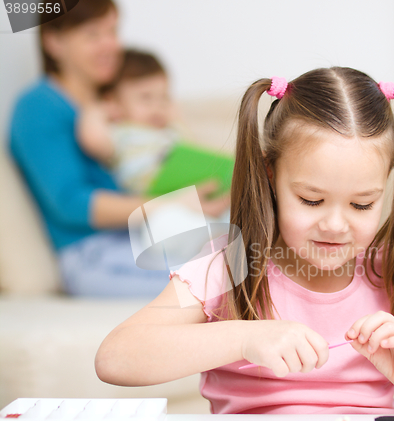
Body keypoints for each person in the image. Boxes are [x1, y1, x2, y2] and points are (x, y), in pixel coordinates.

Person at [95, 67, 394, 415]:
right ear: (270, 175)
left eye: (362, 204)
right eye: (311, 200)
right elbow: (114, 357)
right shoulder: (231, 264)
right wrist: (244, 338)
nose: (335, 224)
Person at [7, 0, 229, 297]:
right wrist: (171, 203)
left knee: (240, 263)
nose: (110, 44)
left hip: (140, 238)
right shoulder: (38, 106)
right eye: (93, 34)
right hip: (92, 254)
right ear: (54, 42)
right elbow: (71, 203)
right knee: (217, 285)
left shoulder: (117, 103)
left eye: (113, 31)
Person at [77, 48, 234, 198]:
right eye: (146, 97)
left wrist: (176, 119)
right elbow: (93, 140)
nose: (157, 107)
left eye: (164, 97)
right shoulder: (121, 132)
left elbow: (194, 153)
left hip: (187, 196)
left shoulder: (169, 131)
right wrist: (98, 110)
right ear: (113, 101)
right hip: (149, 206)